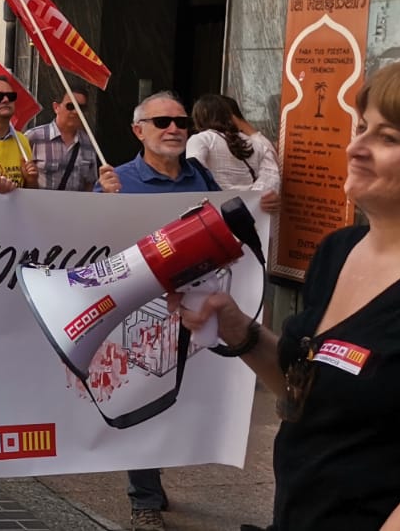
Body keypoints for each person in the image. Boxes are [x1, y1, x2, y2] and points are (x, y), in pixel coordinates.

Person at [177, 59, 400, 530]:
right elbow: (311, 390)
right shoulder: (337, 252)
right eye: (363, 128)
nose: (356, 147)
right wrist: (239, 329)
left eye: (390, 138)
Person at [94, 91, 215, 531]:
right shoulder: (116, 181)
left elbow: (224, 224)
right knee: (143, 399)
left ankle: (153, 477)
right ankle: (143, 498)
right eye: (161, 121)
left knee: (181, 399)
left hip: (195, 308)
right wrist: (100, 204)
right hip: (140, 313)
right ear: (137, 130)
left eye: (181, 122)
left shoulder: (201, 177)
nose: (173, 129)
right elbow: (90, 241)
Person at [25, 87, 117, 192]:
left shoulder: (89, 142)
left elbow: (89, 185)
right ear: (56, 107)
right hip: (40, 206)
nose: (76, 112)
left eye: (81, 108)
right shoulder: (33, 137)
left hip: (75, 207)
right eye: (70, 106)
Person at [186, 94, 280, 194]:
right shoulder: (256, 143)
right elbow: (271, 177)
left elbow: (194, 175)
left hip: (215, 204)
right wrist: (253, 198)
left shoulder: (201, 139)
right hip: (247, 207)